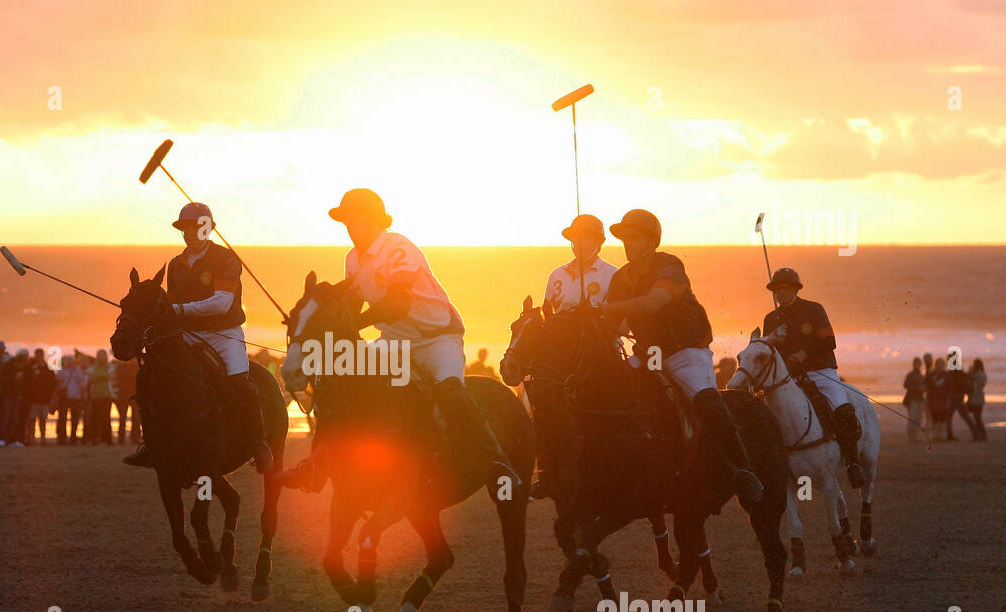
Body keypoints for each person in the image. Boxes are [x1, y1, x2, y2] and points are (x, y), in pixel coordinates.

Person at [280, 188, 519, 491]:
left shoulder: (399, 249)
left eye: (355, 219)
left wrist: (355, 322)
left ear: (374, 219)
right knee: (342, 377)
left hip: (436, 338)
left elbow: (398, 303)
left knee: (449, 390)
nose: (351, 227)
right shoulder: (353, 259)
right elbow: (351, 308)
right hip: (393, 340)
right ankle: (317, 466)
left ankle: (498, 462)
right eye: (346, 222)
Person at [598, 209, 763, 505]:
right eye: (624, 240)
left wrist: (607, 309)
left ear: (651, 242)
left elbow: (652, 304)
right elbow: (617, 323)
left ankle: (744, 469)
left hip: (686, 352)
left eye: (633, 238)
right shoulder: (622, 277)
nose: (628, 245)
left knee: (705, 401)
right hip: (649, 354)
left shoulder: (669, 267)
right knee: (611, 389)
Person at [123, 203, 273, 472]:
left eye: (194, 227)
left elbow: (221, 303)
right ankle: (152, 442)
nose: (189, 233)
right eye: (185, 229)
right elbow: (171, 304)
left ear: (207, 228)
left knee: (240, 381)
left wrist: (178, 310)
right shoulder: (175, 265)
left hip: (224, 335)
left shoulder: (226, 259)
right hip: (188, 334)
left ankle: (259, 443)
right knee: (154, 376)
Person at [526, 213, 618, 497]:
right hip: (560, 359)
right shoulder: (557, 276)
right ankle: (545, 470)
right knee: (539, 403)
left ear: (598, 242)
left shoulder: (612, 275)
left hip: (599, 353)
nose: (578, 243)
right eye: (574, 239)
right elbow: (547, 314)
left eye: (585, 238)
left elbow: (619, 316)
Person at [761, 268, 864, 487]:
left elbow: (829, 342)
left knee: (842, 409)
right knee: (766, 415)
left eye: (786, 288)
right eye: (778, 289)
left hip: (820, 371)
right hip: (788, 377)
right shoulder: (771, 319)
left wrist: (804, 353)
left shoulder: (814, 309)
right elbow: (766, 354)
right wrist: (773, 339)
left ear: (796, 289)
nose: (781, 293)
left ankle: (852, 463)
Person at [56, 353, 87, 444]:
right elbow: (57, 380)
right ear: (65, 362)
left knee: (75, 419)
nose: (69, 362)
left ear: (74, 362)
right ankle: (62, 438)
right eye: (68, 360)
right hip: (64, 398)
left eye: (71, 361)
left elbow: (82, 382)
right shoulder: (62, 370)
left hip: (75, 397)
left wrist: (76, 372)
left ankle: (73, 438)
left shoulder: (78, 370)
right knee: (62, 418)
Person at [87, 349, 114, 445]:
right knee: (95, 419)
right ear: (97, 357)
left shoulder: (110, 366)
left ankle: (108, 439)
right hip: (95, 396)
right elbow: (91, 378)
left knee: (106, 418)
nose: (101, 357)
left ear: (106, 356)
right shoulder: (92, 367)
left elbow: (109, 376)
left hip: (107, 396)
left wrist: (98, 376)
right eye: (99, 355)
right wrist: (103, 376)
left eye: (103, 355)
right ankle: (94, 439)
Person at [112, 354, 139, 445]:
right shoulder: (136, 367)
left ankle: (132, 438)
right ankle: (124, 438)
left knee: (134, 418)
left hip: (132, 395)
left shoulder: (121, 367)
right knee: (125, 417)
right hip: (125, 395)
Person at [926, 357, 951, 439]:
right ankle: (935, 436)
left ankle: (942, 436)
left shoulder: (947, 375)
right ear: (935, 364)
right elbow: (928, 387)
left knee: (943, 419)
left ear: (944, 365)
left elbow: (949, 387)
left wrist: (947, 396)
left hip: (943, 400)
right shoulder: (931, 374)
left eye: (941, 364)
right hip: (933, 400)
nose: (939, 366)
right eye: (938, 364)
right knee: (935, 418)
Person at [902, 357, 925, 443]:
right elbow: (905, 385)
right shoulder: (910, 375)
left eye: (919, 364)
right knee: (912, 419)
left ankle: (915, 437)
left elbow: (925, 387)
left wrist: (923, 388)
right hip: (912, 400)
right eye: (916, 363)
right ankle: (910, 437)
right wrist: (917, 388)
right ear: (913, 364)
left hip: (921, 400)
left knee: (919, 419)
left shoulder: (922, 375)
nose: (917, 365)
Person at [967, 359, 988, 441]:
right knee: (977, 417)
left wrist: (970, 373)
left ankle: (981, 435)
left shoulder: (978, 374)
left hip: (977, 399)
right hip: (978, 399)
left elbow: (975, 383)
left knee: (977, 417)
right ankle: (981, 435)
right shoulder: (982, 374)